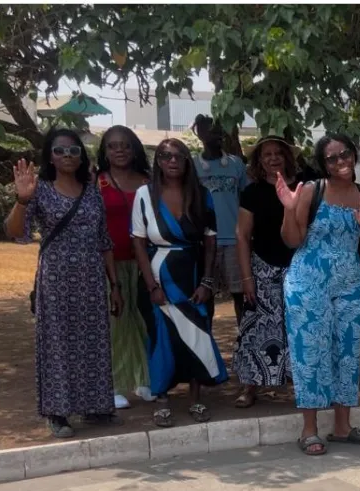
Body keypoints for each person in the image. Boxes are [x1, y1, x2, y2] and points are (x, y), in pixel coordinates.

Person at [6, 129, 121, 438]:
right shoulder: (40, 190)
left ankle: (95, 405)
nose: (68, 157)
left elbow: (104, 240)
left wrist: (115, 286)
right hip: (56, 280)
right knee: (58, 344)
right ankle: (57, 412)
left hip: (92, 278)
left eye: (74, 151)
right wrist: (22, 199)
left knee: (94, 341)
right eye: (60, 151)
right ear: (51, 157)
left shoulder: (92, 190)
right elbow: (17, 232)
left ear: (81, 156)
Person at [277, 134, 360, 455]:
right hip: (308, 283)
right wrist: (289, 209)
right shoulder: (312, 191)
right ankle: (309, 430)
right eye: (332, 158)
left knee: (347, 352)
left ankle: (342, 426)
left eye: (345, 154)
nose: (341, 162)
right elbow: (293, 240)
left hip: (349, 284)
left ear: (354, 154)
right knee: (310, 353)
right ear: (323, 164)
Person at [132, 139, 229, 427]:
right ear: (158, 161)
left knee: (198, 336)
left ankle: (196, 399)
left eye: (179, 156)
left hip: (194, 276)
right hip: (158, 276)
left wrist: (207, 282)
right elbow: (138, 243)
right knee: (161, 338)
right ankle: (162, 399)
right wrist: (151, 286)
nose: (172, 161)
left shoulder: (201, 194)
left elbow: (211, 242)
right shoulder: (144, 195)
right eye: (165, 156)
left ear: (187, 161)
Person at [233, 136, 297, 408]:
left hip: (297, 268)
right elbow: (242, 236)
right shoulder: (252, 192)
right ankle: (250, 387)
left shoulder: (301, 188)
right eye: (267, 154)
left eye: (278, 154)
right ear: (259, 160)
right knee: (255, 329)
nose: (273, 158)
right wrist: (247, 278)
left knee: (297, 329)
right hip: (262, 267)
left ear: (287, 157)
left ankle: (301, 386)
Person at [95, 126, 153, 409]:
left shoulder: (148, 181)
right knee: (116, 324)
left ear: (135, 149)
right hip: (109, 263)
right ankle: (115, 385)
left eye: (125, 145)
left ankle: (146, 380)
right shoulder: (97, 183)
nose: (119, 150)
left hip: (144, 262)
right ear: (104, 151)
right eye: (112, 146)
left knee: (143, 320)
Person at [192, 115, 250, 321]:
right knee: (206, 294)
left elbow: (247, 200)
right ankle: (208, 344)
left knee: (240, 295)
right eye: (210, 130)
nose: (216, 134)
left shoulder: (236, 165)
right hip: (205, 242)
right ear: (199, 133)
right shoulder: (192, 166)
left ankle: (245, 343)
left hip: (234, 240)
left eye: (219, 130)